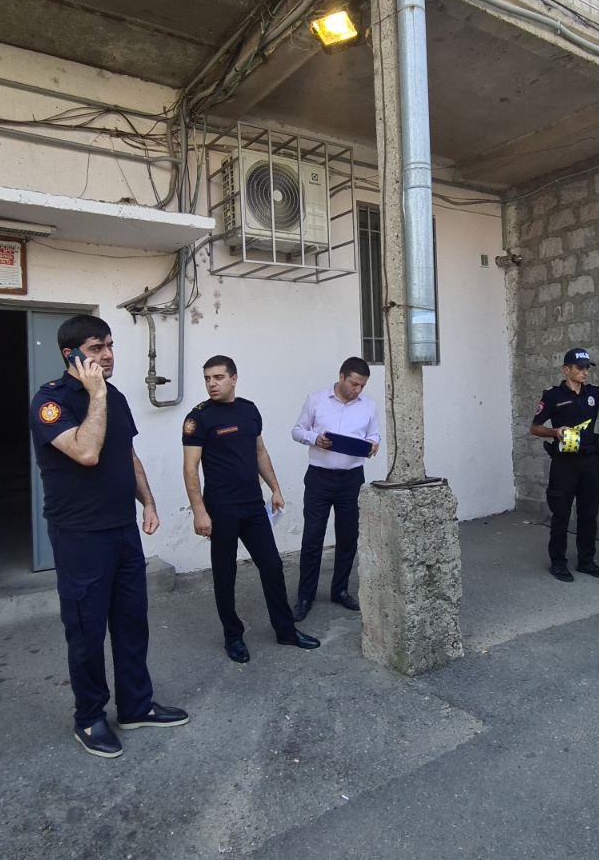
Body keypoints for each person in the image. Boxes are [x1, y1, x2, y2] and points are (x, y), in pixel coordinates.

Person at [29, 313, 188, 759]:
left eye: (110, 346)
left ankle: (136, 706)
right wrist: (96, 394)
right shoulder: (51, 401)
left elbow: (126, 454)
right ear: (71, 355)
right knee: (86, 630)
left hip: (122, 529)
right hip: (80, 535)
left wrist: (148, 502)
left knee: (132, 621)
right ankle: (89, 717)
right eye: (96, 348)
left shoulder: (114, 397)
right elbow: (86, 451)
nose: (108, 355)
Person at [183, 355, 321, 662]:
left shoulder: (249, 410)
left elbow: (260, 452)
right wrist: (199, 511)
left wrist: (275, 489)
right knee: (225, 574)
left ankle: (285, 630)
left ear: (234, 378)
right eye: (207, 378)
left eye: (218, 377)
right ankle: (233, 636)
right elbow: (190, 468)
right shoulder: (199, 418)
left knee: (271, 565)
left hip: (253, 505)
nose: (211, 384)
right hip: (220, 508)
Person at [289, 356, 381, 621]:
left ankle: (339, 590)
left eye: (362, 386)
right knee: (313, 537)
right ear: (341, 377)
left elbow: (373, 434)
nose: (358, 390)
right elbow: (297, 431)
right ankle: (305, 596)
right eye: (354, 384)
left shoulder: (369, 406)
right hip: (319, 477)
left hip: (352, 479)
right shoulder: (316, 399)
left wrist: (373, 443)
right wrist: (314, 438)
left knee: (348, 537)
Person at [529, 347, 599, 581]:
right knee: (561, 513)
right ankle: (558, 562)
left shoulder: (593, 393)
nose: (585, 372)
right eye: (580, 368)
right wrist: (555, 431)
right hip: (564, 463)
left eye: (587, 368)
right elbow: (535, 428)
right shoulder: (553, 396)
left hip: (589, 461)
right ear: (566, 370)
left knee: (589, 513)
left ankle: (587, 561)